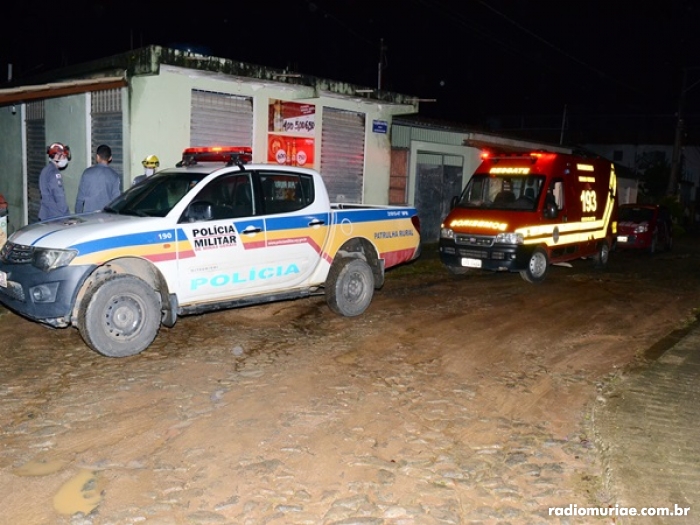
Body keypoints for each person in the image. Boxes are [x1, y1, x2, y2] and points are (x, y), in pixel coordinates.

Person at [75, 144, 122, 214]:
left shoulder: (87, 173)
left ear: (97, 157)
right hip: (106, 218)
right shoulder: (115, 176)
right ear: (110, 158)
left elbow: (80, 199)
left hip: (89, 217)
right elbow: (116, 201)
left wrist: (78, 216)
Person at [38, 142, 71, 221]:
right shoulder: (54, 173)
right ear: (57, 156)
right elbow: (59, 197)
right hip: (55, 217)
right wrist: (66, 216)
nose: (65, 158)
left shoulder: (45, 170)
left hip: (46, 214)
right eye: (63, 156)